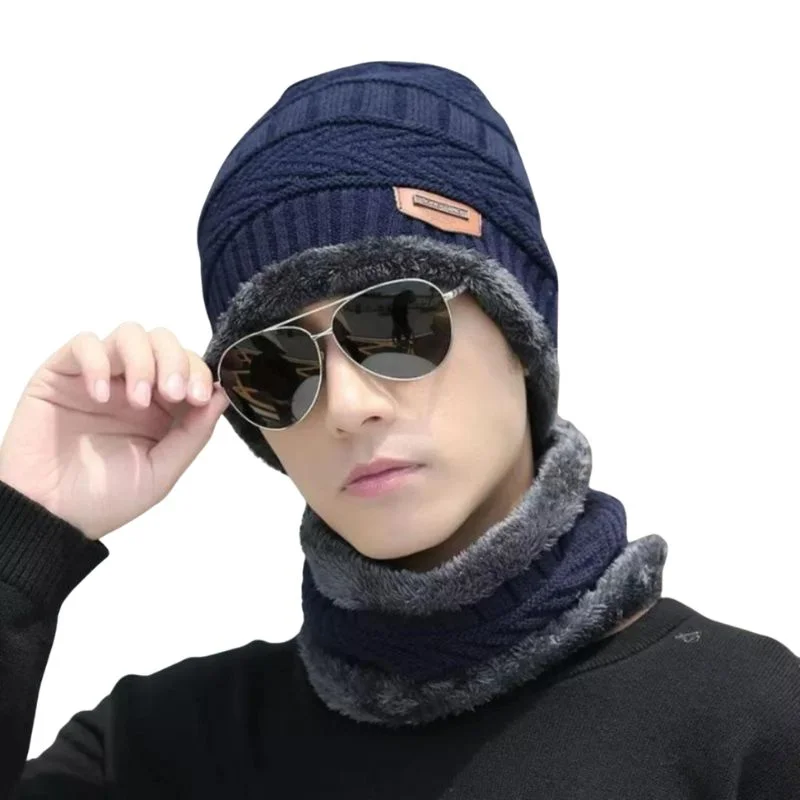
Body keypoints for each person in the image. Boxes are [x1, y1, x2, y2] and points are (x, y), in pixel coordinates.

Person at [0, 60, 798, 798]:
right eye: (276, 367)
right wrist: (25, 530)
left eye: (397, 321)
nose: (348, 405)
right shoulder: (163, 751)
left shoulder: (748, 728)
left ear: (521, 332)